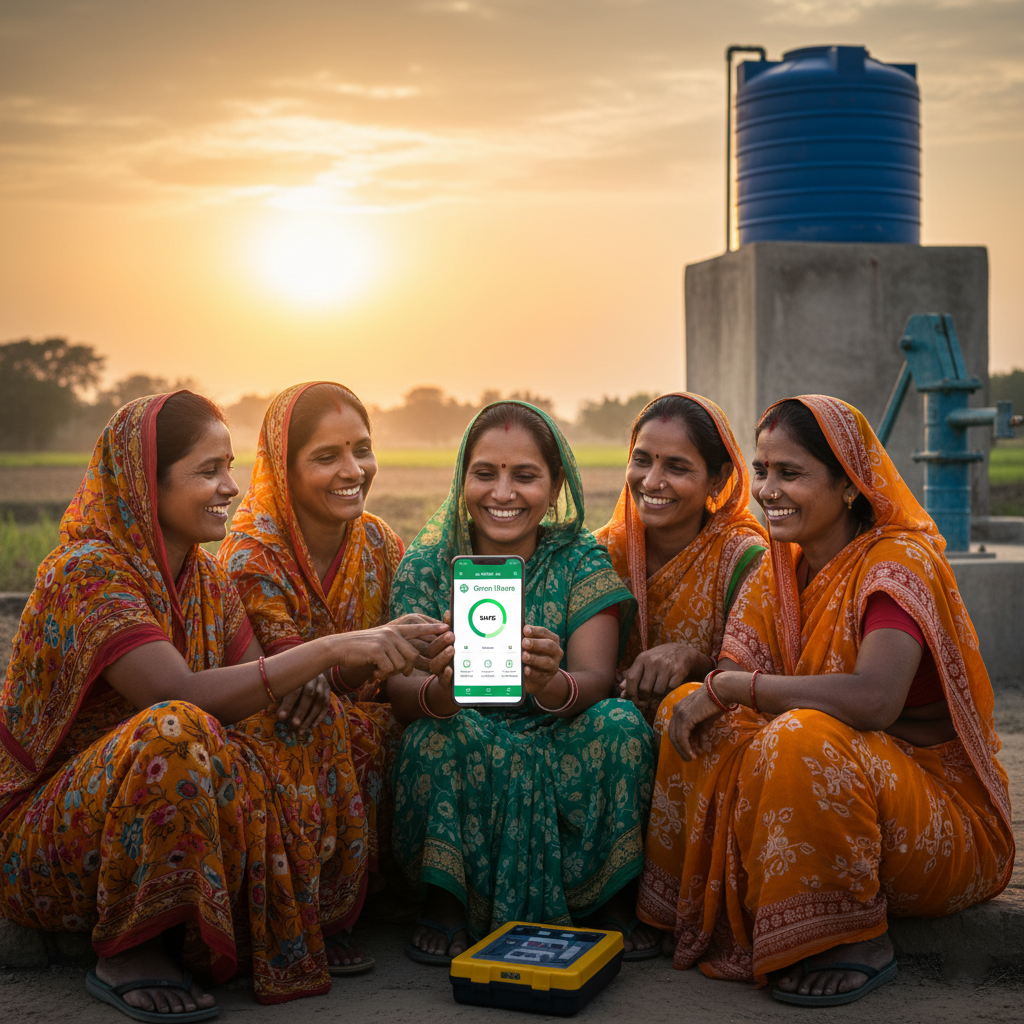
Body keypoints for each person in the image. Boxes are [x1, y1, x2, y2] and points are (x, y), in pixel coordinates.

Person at [0, 392, 443, 1019]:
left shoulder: (204, 579)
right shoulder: (87, 572)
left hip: (165, 805)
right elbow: (174, 693)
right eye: (208, 471)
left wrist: (401, 655)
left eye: (229, 467)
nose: (230, 487)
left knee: (307, 723)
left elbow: (263, 700)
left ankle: (305, 916)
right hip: (55, 841)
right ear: (144, 483)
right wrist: (333, 648)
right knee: (174, 731)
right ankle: (130, 950)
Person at [637, 395, 1014, 1007]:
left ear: (848, 485)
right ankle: (693, 908)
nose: (769, 491)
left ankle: (855, 937)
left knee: (801, 735)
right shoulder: (778, 570)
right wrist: (718, 685)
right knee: (691, 709)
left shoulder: (896, 564)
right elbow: (728, 680)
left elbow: (874, 700)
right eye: (762, 471)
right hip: (838, 787)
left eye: (791, 473)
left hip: (937, 821)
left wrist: (736, 688)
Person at [386, 401, 658, 964]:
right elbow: (399, 692)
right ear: (462, 480)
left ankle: (608, 899)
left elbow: (596, 679)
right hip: (464, 729)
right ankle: (446, 901)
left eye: (525, 476)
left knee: (621, 724)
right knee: (431, 738)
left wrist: (550, 683)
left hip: (560, 732)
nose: (503, 493)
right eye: (485, 473)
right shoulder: (428, 565)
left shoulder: (580, 560)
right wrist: (443, 691)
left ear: (555, 486)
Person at [219, 382, 408, 973]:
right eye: (327, 456)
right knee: (324, 727)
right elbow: (296, 683)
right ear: (285, 469)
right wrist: (357, 660)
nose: (353, 470)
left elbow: (390, 657)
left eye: (362, 450)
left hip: (355, 710)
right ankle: (317, 913)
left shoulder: (379, 542)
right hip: (278, 723)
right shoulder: (252, 554)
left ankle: (389, 894)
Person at [595, 393, 766, 720]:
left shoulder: (744, 558)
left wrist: (694, 662)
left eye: (676, 467)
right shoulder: (601, 553)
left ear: (718, 478)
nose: (651, 482)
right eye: (641, 460)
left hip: (706, 732)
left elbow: (754, 680)